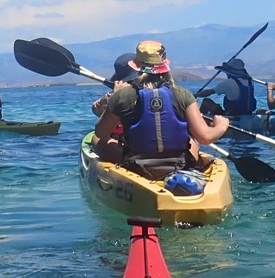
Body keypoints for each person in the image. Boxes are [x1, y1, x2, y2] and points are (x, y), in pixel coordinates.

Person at [94, 40, 228, 177]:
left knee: (95, 139)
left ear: (137, 67)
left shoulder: (122, 96)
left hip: (137, 166)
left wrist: (112, 102)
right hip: (179, 164)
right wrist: (221, 125)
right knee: (193, 141)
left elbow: (100, 132)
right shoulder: (183, 94)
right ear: (165, 65)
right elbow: (205, 137)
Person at [90, 53, 136, 163]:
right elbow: (96, 109)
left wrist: (116, 98)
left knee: (97, 138)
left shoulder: (120, 96)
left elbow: (100, 132)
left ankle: (127, 161)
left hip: (136, 148)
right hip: (138, 143)